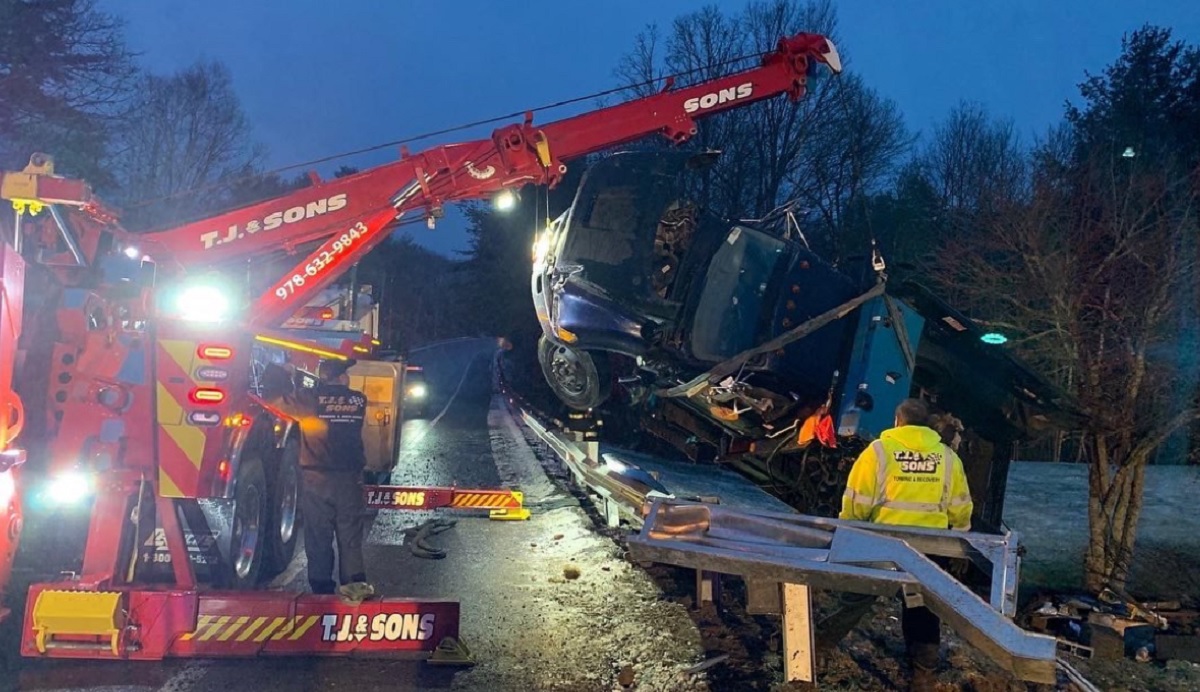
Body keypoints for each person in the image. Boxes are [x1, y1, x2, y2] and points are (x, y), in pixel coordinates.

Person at [820, 398, 974, 691]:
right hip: (931, 549)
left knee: (857, 596)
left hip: (881, 543)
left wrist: (849, 531)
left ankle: (819, 645)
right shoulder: (947, 458)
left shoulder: (878, 452)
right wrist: (961, 542)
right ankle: (923, 675)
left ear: (897, 421)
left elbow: (857, 499)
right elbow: (960, 506)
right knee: (922, 609)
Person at [270, 358, 374, 602]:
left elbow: (277, 401)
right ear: (340, 377)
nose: (348, 377)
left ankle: (321, 590)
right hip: (349, 479)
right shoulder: (358, 400)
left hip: (316, 479)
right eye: (345, 373)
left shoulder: (308, 400)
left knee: (318, 535)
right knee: (349, 534)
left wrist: (285, 376)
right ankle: (354, 586)